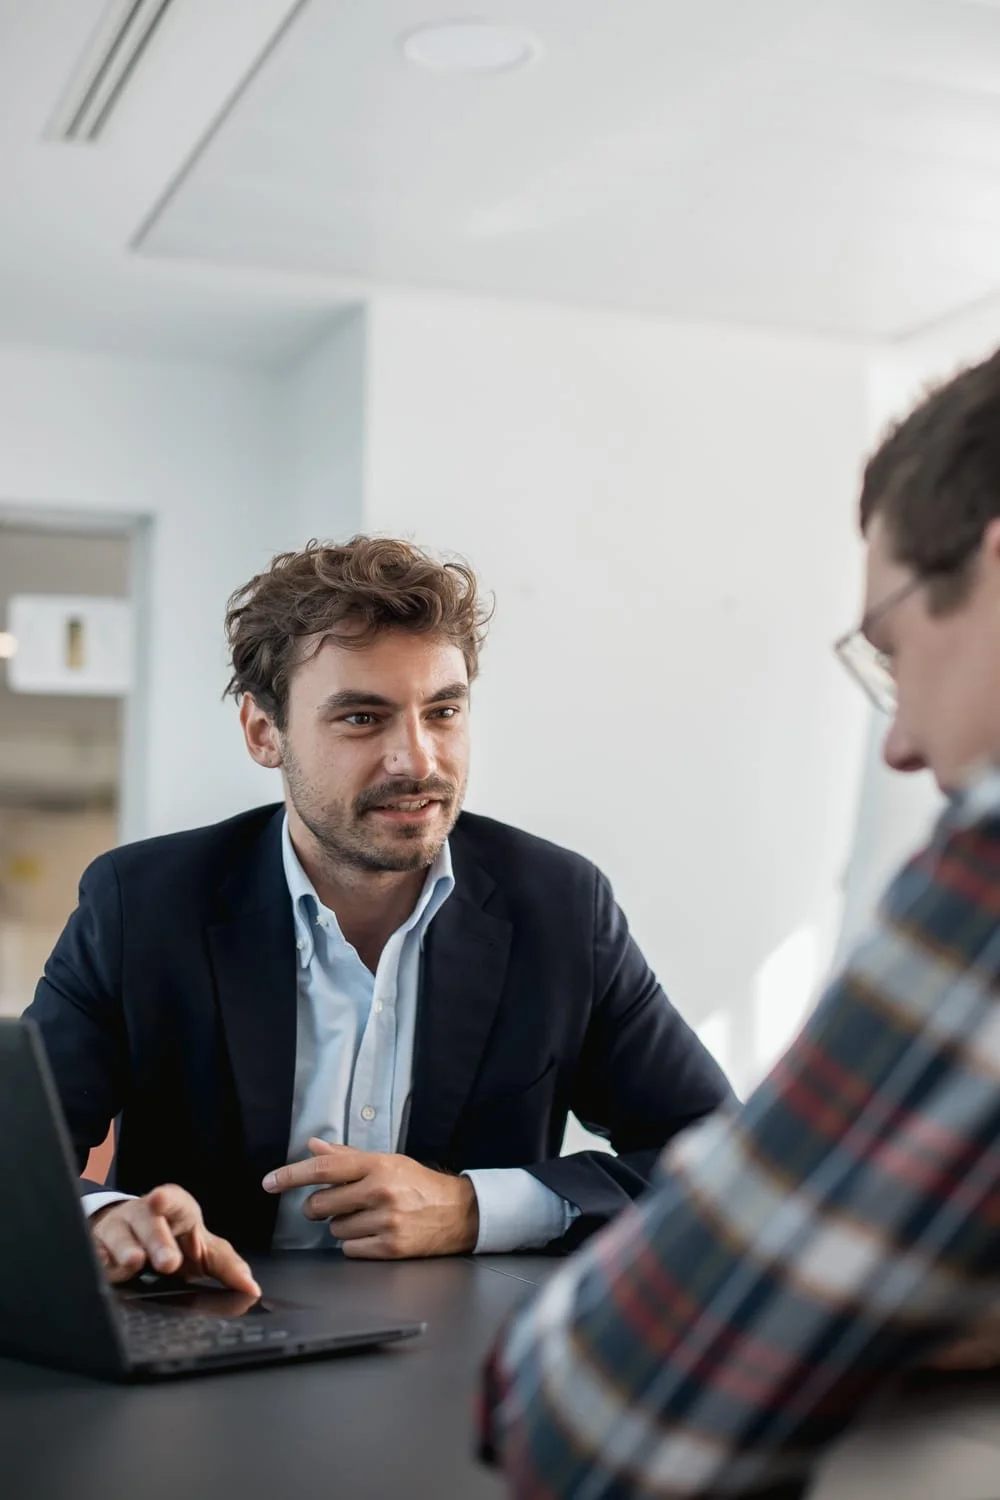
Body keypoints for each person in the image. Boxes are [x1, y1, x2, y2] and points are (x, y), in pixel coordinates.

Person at [480, 348, 1000, 1497]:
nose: (900, 742)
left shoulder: (988, 879)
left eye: (893, 652)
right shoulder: (148, 900)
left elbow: (604, 1416)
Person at [26, 536, 731, 1293]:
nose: (418, 760)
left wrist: (475, 1207)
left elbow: (725, 1160)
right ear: (264, 732)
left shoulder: (560, 908)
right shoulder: (143, 904)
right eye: (363, 718)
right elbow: (17, 1160)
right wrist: (103, 1217)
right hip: (202, 1351)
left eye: (444, 711)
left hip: (453, 1365)